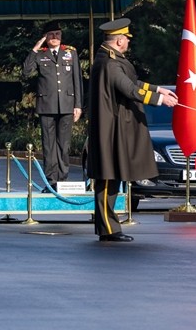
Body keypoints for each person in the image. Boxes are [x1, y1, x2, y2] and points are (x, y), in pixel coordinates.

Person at [86, 18, 177, 242]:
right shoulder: (109, 63)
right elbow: (128, 89)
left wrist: (158, 89)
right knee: (107, 180)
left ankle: (109, 228)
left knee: (111, 178)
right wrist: (159, 100)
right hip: (109, 129)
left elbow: (133, 81)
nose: (128, 42)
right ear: (118, 41)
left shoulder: (111, 59)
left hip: (113, 127)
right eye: (126, 38)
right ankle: (108, 229)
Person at [23, 20, 84, 183]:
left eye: (57, 34)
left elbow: (77, 80)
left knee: (64, 145)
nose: (55, 37)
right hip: (47, 106)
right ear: (45, 37)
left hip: (66, 104)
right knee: (49, 145)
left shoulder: (70, 53)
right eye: (51, 34)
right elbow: (26, 71)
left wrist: (78, 105)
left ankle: (62, 179)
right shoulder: (40, 54)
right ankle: (51, 180)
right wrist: (35, 49)